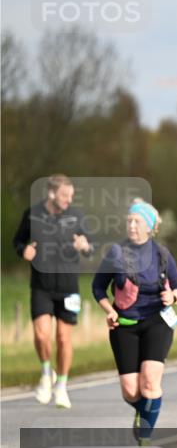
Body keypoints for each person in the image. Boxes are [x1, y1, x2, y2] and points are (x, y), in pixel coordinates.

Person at [92, 201, 177, 445]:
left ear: (150, 226)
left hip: (158, 321)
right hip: (124, 324)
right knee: (131, 391)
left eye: (138, 221)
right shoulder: (116, 253)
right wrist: (109, 310)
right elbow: (98, 288)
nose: (132, 226)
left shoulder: (161, 253)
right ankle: (144, 410)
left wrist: (173, 296)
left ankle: (145, 435)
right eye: (129, 221)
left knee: (150, 382)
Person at [12, 174, 93, 408]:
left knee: (63, 339)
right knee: (41, 335)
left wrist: (85, 246)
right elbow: (18, 241)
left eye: (71, 196)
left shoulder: (77, 216)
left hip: (69, 287)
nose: (69, 199)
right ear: (51, 194)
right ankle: (47, 374)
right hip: (41, 285)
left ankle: (62, 386)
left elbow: (91, 246)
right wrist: (23, 250)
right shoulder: (33, 214)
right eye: (65, 195)